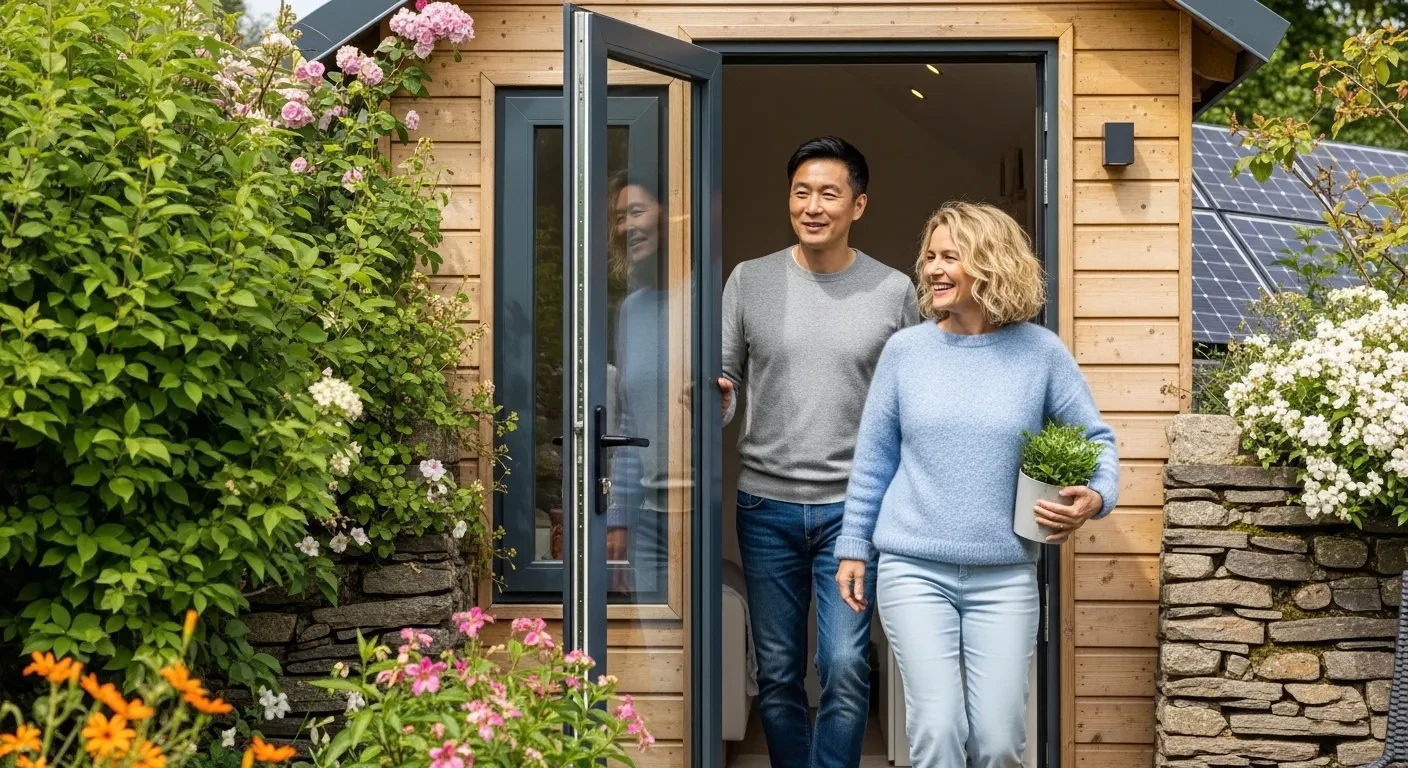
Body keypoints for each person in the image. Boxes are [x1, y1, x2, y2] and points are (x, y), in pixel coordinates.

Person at [833, 202, 1120, 768]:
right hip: (913, 568)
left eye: (950, 257)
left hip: (1006, 575)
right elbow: (874, 461)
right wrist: (853, 548)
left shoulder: (1040, 353)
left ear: (990, 264)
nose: (933, 269)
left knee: (997, 740)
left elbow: (1095, 438)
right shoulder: (906, 352)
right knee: (937, 729)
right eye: (930, 257)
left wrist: (1096, 493)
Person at [718, 136, 922, 768]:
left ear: (857, 205)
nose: (812, 205)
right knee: (778, 671)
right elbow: (725, 386)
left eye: (828, 193)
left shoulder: (894, 291)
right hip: (764, 505)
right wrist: (713, 397)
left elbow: (916, 396)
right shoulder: (749, 280)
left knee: (843, 663)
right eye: (801, 192)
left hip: (853, 514)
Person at [604, 170, 674, 597]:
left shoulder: (708, 298)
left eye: (636, 211)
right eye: (618, 217)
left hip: (696, 513)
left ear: (669, 215)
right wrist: (619, 519)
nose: (627, 226)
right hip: (647, 517)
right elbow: (628, 425)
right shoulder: (631, 309)